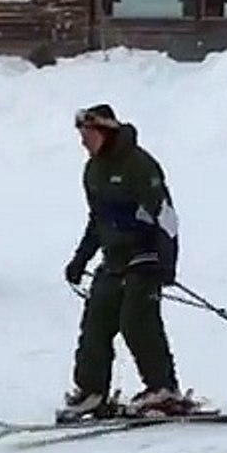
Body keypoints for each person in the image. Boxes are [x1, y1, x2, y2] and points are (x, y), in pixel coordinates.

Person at [60, 104, 186, 421]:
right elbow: (97, 220)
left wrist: (166, 264)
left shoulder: (139, 165)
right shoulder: (93, 171)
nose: (83, 142)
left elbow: (166, 217)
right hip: (113, 259)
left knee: (137, 321)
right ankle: (92, 391)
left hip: (145, 256)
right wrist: (80, 259)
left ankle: (163, 389)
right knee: (96, 322)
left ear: (104, 132)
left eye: (87, 134)